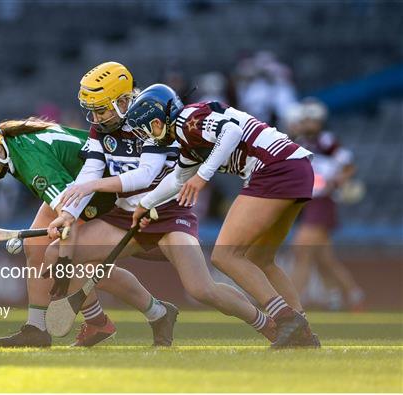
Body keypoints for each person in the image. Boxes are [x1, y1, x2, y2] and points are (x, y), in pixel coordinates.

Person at [45, 63, 280, 346]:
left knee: (201, 288)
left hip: (167, 214)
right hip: (127, 217)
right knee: (57, 255)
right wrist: (68, 214)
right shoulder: (100, 130)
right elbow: (90, 172)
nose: (95, 117)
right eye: (92, 110)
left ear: (122, 101)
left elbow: (145, 175)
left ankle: (269, 325)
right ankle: (114, 321)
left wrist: (92, 186)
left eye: (101, 109)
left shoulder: (150, 115)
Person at [0, 107, 175, 347]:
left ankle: (154, 313)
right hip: (73, 184)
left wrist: (64, 257)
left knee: (78, 262)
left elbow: (69, 214)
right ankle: (36, 328)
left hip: (102, 192)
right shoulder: (3, 140)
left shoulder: (34, 165)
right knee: (35, 246)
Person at [126, 84, 320, 347]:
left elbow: (232, 132)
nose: (147, 135)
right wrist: (145, 204)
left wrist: (203, 177)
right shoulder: (187, 138)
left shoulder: (187, 120)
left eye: (147, 127)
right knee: (260, 259)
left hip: (275, 169)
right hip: (294, 167)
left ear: (161, 119)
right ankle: (303, 332)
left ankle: (287, 319)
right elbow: (177, 179)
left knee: (225, 255)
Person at [290, 99, 365, 310]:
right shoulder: (301, 141)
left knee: (301, 249)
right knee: (324, 258)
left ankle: (291, 304)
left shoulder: (327, 141)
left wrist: (339, 179)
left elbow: (349, 166)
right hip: (308, 202)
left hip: (322, 201)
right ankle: (353, 295)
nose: (305, 123)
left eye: (309, 119)